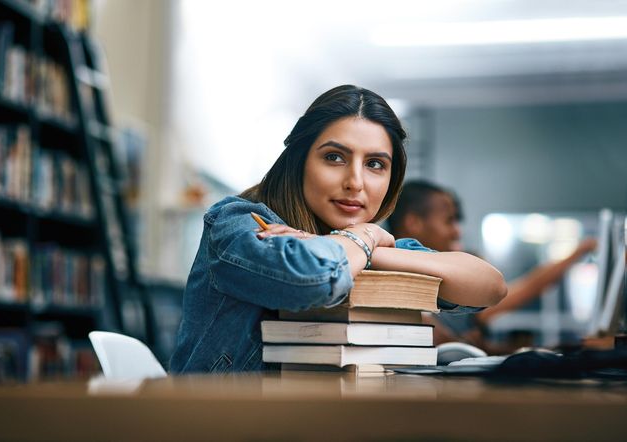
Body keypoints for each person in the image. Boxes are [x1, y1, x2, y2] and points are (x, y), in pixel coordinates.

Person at [169, 86, 507, 373]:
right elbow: (314, 277)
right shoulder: (237, 222)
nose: (355, 182)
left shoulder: (364, 248)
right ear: (299, 160)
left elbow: (489, 286)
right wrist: (363, 237)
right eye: (334, 157)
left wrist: (366, 246)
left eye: (375, 164)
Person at [387, 179, 597, 352]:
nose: (457, 232)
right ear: (414, 222)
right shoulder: (389, 284)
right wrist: (582, 250)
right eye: (449, 221)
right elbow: (525, 288)